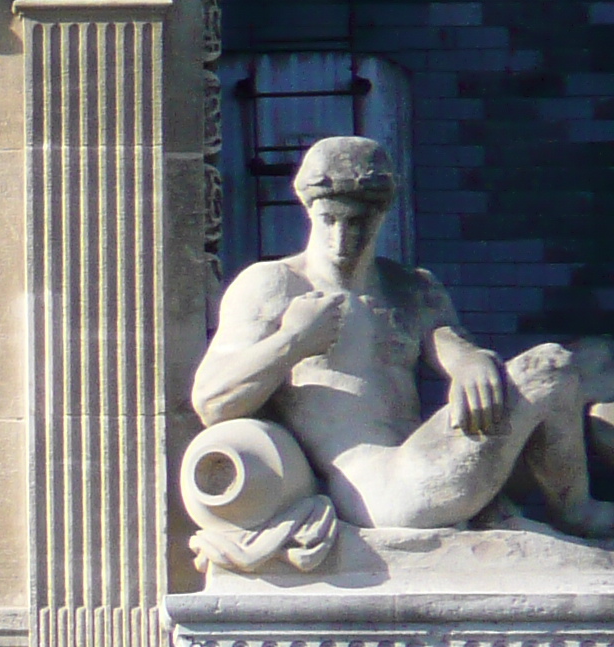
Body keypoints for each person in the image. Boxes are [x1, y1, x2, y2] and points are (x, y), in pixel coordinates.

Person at [194, 134, 614, 539]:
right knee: (548, 368)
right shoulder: (274, 285)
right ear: (309, 210)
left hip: (431, 457)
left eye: (358, 222)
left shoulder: (411, 288)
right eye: (330, 220)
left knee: (591, 361)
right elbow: (212, 401)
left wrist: (471, 362)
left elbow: (452, 344)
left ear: (381, 213)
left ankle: (569, 504)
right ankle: (575, 511)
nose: (343, 239)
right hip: (378, 489)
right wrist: (293, 341)